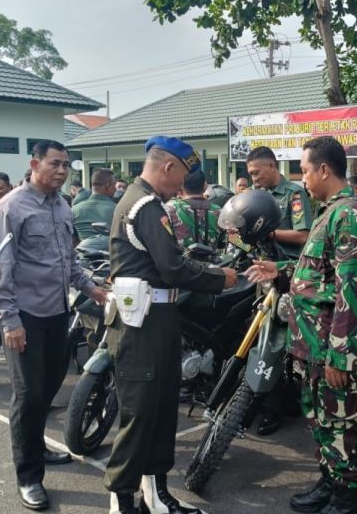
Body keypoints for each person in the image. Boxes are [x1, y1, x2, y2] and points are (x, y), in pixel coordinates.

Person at [104, 136, 236, 514]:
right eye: (181, 174)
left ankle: (156, 494)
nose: (183, 184)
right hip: (139, 324)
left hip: (157, 318)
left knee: (161, 410)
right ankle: (121, 500)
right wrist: (219, 276)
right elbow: (173, 267)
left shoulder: (148, 202)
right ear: (167, 167)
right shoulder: (145, 206)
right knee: (139, 413)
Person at [247, 136, 357, 514]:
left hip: (330, 347)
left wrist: (340, 355)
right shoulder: (328, 212)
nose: (302, 180)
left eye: (304, 171)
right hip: (310, 343)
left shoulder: (347, 213)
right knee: (319, 419)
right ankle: (328, 481)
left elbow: (352, 288)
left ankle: (348, 497)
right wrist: (281, 270)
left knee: (341, 422)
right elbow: (319, 272)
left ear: (323, 169)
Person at [0, 139, 107, 511]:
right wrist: (9, 320)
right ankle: (29, 476)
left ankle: (37, 448)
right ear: (34, 164)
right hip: (23, 317)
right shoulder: (10, 208)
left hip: (57, 312)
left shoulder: (62, 205)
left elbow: (67, 259)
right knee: (28, 395)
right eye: (54, 164)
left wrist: (91, 287)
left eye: (65, 165)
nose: (61, 171)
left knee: (50, 386)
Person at [247, 146, 314, 434]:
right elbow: (242, 234)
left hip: (287, 275)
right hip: (262, 276)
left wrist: (269, 232)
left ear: (272, 167)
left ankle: (278, 408)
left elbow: (302, 235)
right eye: (250, 174)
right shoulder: (254, 196)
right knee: (258, 340)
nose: (253, 178)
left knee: (279, 344)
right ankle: (264, 399)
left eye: (256, 172)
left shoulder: (294, 195)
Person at [164, 170, 225, 251]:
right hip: (213, 262)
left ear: (180, 187)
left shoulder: (170, 208)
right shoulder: (219, 211)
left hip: (180, 262)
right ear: (205, 186)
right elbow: (229, 240)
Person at [72, 168, 118, 240]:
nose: (115, 189)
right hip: (110, 250)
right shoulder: (117, 209)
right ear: (107, 185)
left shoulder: (74, 210)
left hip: (82, 249)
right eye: (114, 184)